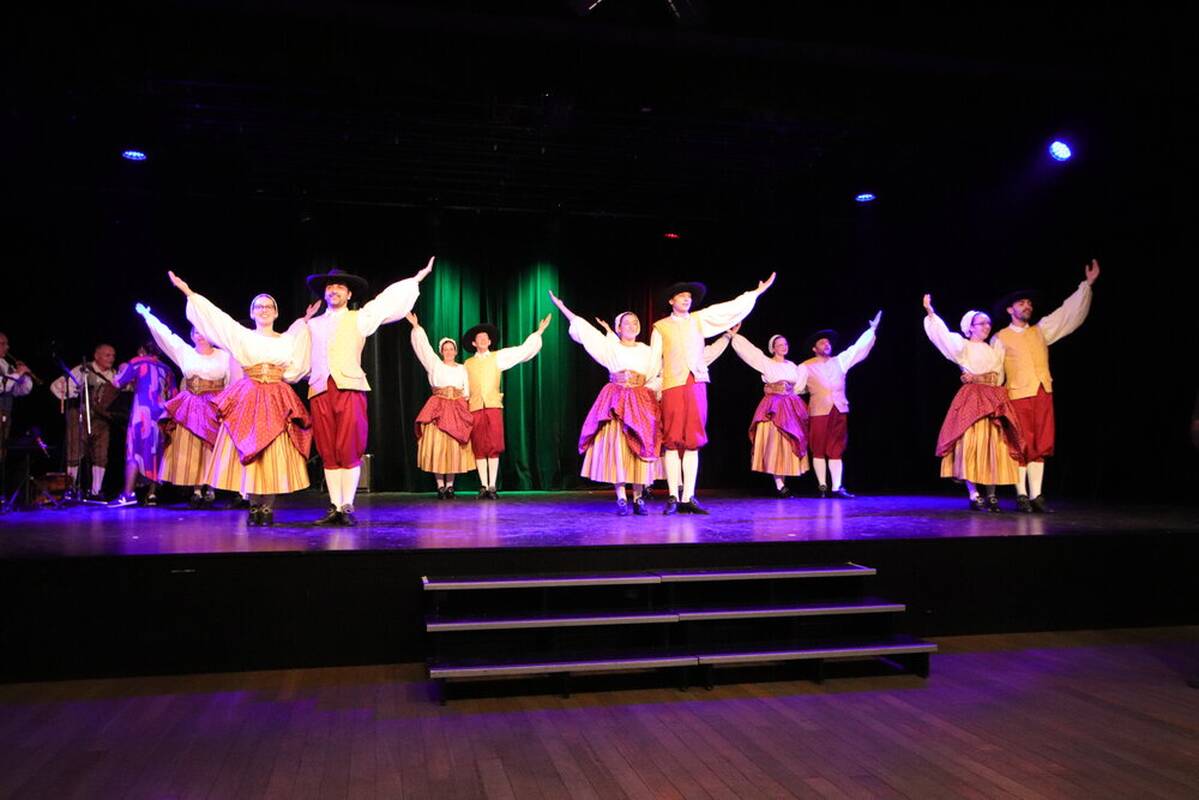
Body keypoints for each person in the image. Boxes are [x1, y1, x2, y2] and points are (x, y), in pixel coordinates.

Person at [168, 271, 312, 526]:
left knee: (273, 451)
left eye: (268, 306)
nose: (264, 310)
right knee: (250, 448)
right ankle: (254, 504)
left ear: (276, 313)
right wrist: (189, 293)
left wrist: (305, 321)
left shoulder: (287, 340)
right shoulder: (242, 336)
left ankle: (267, 506)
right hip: (249, 396)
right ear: (252, 313)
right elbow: (217, 319)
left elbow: (296, 359)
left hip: (276, 397)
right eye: (259, 306)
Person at [301, 260, 431, 525]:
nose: (334, 290)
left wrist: (415, 279)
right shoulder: (311, 325)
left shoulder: (360, 317)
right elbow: (297, 356)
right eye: (330, 286)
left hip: (350, 387)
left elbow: (386, 302)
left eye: (340, 287)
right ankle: (335, 505)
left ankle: (347, 506)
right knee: (328, 449)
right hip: (320, 389)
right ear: (324, 293)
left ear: (349, 294)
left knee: (349, 446)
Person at [650, 273, 776, 514]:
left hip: (696, 383)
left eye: (689, 296)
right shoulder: (661, 327)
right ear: (671, 301)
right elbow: (654, 360)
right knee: (672, 440)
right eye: (681, 296)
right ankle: (673, 496)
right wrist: (651, 385)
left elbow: (727, 309)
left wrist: (755, 293)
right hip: (671, 385)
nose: (686, 299)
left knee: (693, 440)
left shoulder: (699, 319)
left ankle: (688, 496)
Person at [992, 259, 1100, 512]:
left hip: (1042, 392)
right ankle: (1021, 495)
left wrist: (1086, 285)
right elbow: (994, 370)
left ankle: (1036, 495)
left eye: (1029, 303)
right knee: (1020, 445)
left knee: (1041, 444)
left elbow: (1066, 313)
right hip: (1017, 395)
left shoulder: (1040, 330)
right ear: (1010, 309)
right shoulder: (1000, 337)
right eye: (1022, 303)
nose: (1027, 306)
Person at [549, 291, 662, 515]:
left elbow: (658, 375)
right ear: (618, 328)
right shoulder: (611, 348)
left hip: (640, 400)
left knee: (640, 445)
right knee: (618, 448)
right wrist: (563, 307)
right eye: (626, 323)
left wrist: (648, 389)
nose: (631, 326)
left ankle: (638, 497)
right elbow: (586, 332)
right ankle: (621, 497)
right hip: (616, 400)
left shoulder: (648, 351)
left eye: (635, 322)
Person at [922, 295, 1024, 511]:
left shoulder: (994, 348)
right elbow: (943, 337)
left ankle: (992, 495)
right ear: (970, 327)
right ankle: (974, 493)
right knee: (971, 444)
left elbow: (1000, 374)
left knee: (993, 445)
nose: (987, 326)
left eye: (988, 323)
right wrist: (931, 313)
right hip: (973, 397)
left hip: (993, 398)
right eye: (981, 323)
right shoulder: (963, 346)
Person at [137, 304, 237, 508]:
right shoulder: (185, 352)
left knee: (211, 446)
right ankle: (196, 491)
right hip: (191, 404)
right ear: (192, 335)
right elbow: (167, 336)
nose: (200, 335)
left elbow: (231, 381)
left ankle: (211, 489)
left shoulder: (224, 356)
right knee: (192, 447)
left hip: (215, 404)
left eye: (203, 331)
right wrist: (148, 316)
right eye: (196, 331)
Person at [461, 315, 552, 499]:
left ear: (489, 341)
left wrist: (539, 332)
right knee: (479, 446)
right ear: (474, 343)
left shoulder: (498, 357)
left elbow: (521, 351)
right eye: (479, 338)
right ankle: (483, 485)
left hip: (493, 405)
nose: (483, 340)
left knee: (494, 445)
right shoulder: (468, 364)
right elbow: (463, 386)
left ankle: (492, 486)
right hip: (475, 407)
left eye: (486, 337)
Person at [800, 311, 881, 498]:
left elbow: (857, 348)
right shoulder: (805, 366)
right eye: (822, 342)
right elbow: (797, 386)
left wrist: (871, 330)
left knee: (836, 448)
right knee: (818, 448)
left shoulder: (840, 361)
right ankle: (822, 486)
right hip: (819, 411)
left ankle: (837, 487)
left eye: (828, 342)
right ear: (814, 348)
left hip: (839, 409)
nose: (827, 344)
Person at [729, 332, 811, 497]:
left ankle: (783, 485)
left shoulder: (793, 366)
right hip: (774, 407)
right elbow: (750, 352)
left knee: (788, 443)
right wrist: (735, 337)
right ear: (773, 348)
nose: (783, 347)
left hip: (791, 406)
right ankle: (779, 485)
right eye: (779, 345)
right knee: (775, 444)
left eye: (785, 344)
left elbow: (800, 385)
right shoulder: (766, 363)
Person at [406, 312, 474, 498]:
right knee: (437, 446)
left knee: (453, 446)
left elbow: (466, 390)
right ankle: (440, 486)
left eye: (451, 349)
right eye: (446, 349)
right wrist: (416, 328)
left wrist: (465, 405)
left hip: (457, 407)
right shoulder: (435, 365)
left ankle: (450, 486)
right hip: (438, 407)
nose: (449, 352)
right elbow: (424, 349)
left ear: (456, 351)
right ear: (441, 351)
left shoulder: (462, 368)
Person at [109, 339, 176, 507]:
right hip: (161, 416)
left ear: (141, 350)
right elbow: (174, 396)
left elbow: (117, 382)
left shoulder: (138, 362)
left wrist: (122, 370)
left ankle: (128, 494)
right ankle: (152, 495)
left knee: (133, 452)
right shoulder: (168, 369)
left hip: (141, 414)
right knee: (155, 453)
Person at [50, 343, 122, 499]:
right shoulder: (83, 369)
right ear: (97, 356)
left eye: (113, 356)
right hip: (79, 415)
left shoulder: (115, 375)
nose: (111, 359)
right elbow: (57, 386)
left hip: (102, 420)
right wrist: (75, 394)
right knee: (74, 452)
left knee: (101, 454)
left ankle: (96, 491)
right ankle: (70, 489)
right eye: (107, 355)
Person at [0, 332, 34, 465]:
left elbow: (19, 390)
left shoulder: (5, 364)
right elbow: (2, 386)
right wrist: (17, 373)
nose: (7, 347)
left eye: (7, 344)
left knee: (2, 452)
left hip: (5, 413)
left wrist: (25, 376)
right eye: (3, 344)